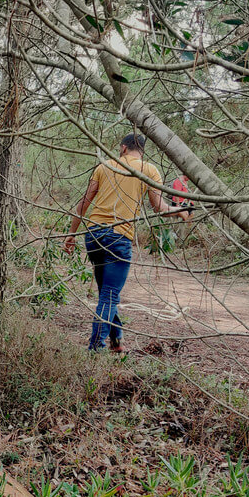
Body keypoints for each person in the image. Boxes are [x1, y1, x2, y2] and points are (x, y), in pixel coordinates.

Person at [63, 133, 190, 352]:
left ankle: (116, 342)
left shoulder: (104, 166)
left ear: (123, 148)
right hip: (118, 238)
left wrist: (71, 233)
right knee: (110, 295)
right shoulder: (148, 170)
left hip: (93, 235)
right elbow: (160, 209)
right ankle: (95, 348)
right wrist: (181, 212)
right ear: (141, 150)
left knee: (107, 293)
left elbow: (84, 203)